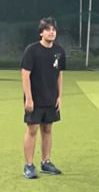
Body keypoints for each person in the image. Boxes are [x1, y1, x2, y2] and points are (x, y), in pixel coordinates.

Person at [21, 16, 67, 179]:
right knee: (32, 129)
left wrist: (59, 96)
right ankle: (28, 165)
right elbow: (25, 75)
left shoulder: (59, 51)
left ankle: (46, 162)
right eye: (48, 29)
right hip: (35, 98)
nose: (51, 32)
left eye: (54, 29)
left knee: (48, 129)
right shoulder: (32, 50)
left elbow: (59, 75)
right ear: (41, 33)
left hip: (51, 97)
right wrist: (29, 98)